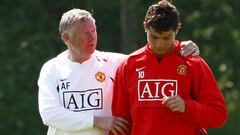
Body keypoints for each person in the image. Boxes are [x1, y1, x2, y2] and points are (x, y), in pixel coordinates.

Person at [37, 8, 200, 135]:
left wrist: (181, 46)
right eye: (85, 34)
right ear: (66, 38)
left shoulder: (115, 62)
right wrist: (97, 121)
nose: (92, 38)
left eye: (93, 31)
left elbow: (149, 58)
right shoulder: (52, 69)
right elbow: (50, 114)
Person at [110, 1, 227, 135]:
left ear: (177, 29)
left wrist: (186, 107)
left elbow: (219, 115)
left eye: (166, 38)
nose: (159, 44)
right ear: (145, 27)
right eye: (153, 37)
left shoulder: (192, 62)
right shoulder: (128, 65)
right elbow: (119, 124)